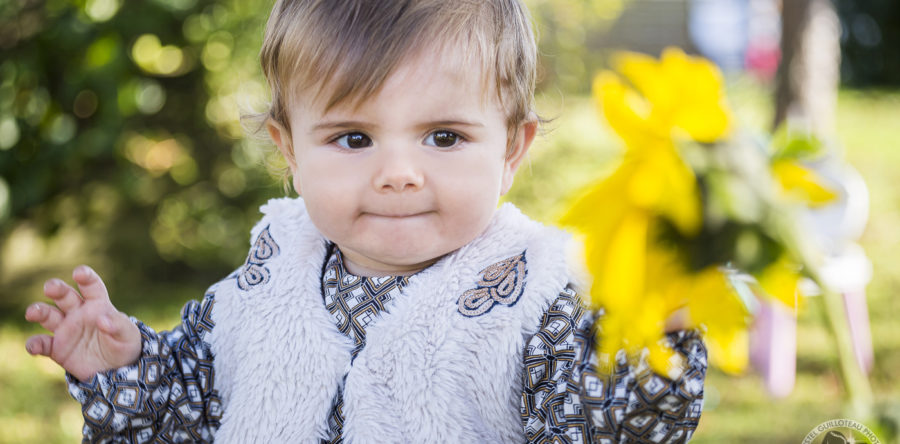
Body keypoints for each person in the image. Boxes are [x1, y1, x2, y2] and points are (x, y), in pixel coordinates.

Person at [24, 0, 707, 442]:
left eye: (443, 136)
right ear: (289, 151)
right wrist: (128, 369)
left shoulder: (536, 295)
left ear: (512, 149)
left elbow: (597, 424)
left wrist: (656, 350)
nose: (398, 172)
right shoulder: (269, 276)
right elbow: (195, 406)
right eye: (354, 138)